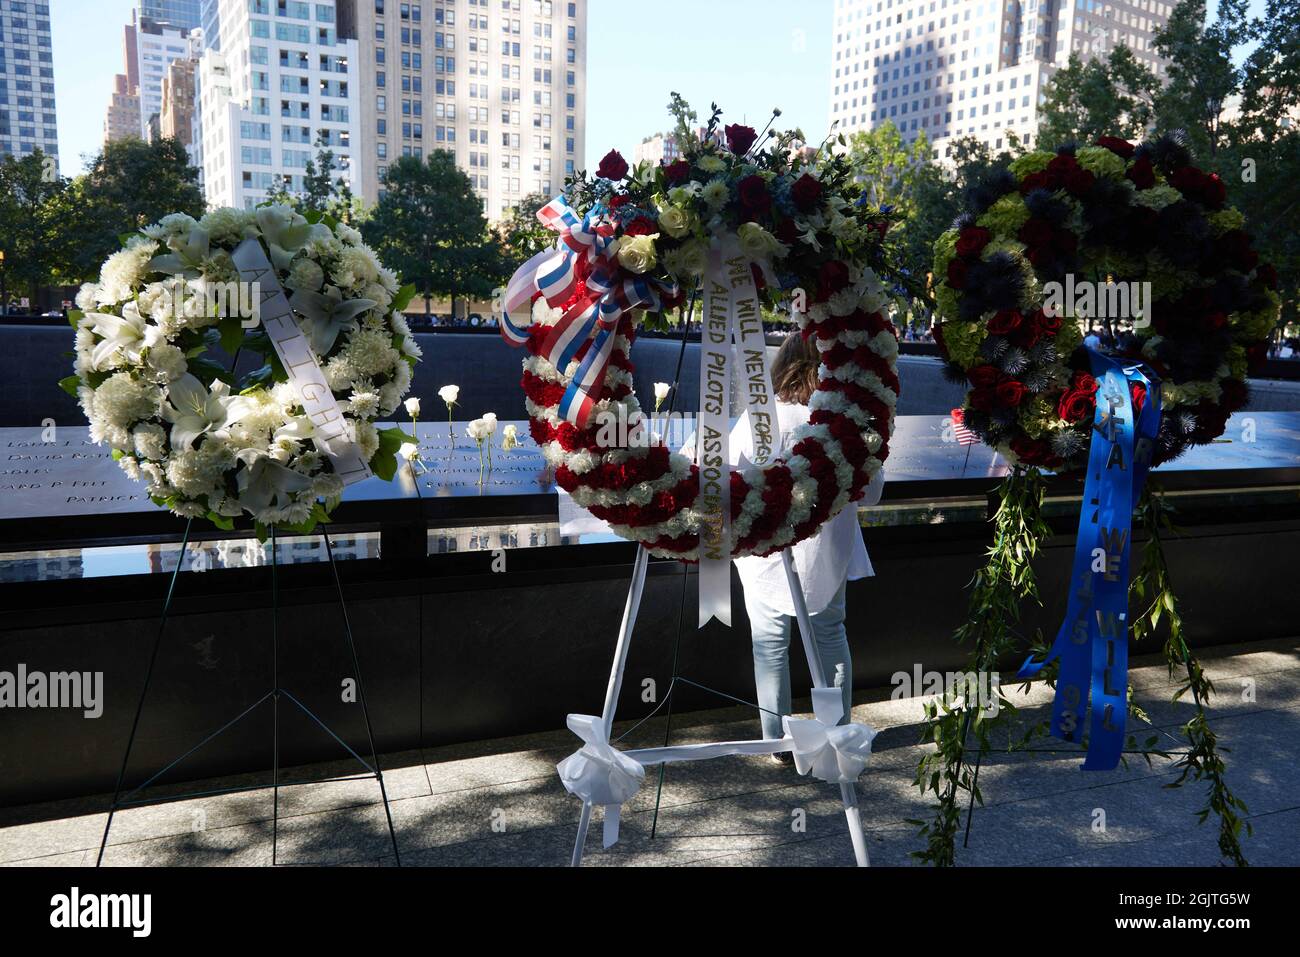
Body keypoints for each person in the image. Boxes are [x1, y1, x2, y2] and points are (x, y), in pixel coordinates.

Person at [730, 333, 883, 759]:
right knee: (830, 637)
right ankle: (837, 735)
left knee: (769, 645)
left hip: (762, 549)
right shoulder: (845, 421)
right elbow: (870, 493)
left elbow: (729, 474)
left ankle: (776, 740)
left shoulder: (760, 416)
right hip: (824, 551)